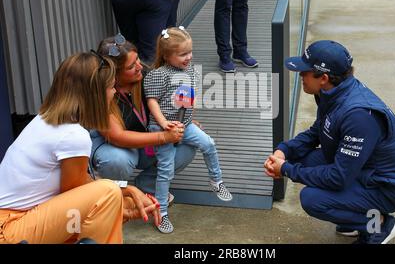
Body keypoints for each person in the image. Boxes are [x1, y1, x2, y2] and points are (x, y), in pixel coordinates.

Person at [264, 40, 395, 244]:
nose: (300, 76)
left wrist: (287, 170)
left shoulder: (358, 115)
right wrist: (284, 151)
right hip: (364, 168)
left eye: (305, 72)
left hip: (388, 187)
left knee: (312, 199)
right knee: (304, 157)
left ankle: (378, 224)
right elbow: (317, 132)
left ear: (324, 78)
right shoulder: (332, 93)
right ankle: (353, 215)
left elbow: (338, 178)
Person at [0, 52, 161, 244]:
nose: (115, 93)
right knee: (108, 193)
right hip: (11, 229)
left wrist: (126, 192)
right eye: (111, 87)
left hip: (19, 220)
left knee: (111, 195)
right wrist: (122, 196)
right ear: (94, 94)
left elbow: (81, 187)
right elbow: (77, 196)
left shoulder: (44, 118)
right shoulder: (73, 136)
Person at [90, 34, 197, 213]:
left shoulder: (149, 75)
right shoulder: (103, 92)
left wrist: (185, 121)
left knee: (189, 143)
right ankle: (117, 192)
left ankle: (147, 184)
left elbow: (176, 104)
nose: (140, 66)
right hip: (116, 147)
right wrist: (163, 136)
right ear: (113, 73)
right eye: (131, 66)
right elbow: (117, 137)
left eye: (138, 58)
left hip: (148, 141)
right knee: (116, 161)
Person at [144, 26, 233, 233]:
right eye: (183, 54)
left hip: (185, 124)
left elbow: (185, 98)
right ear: (167, 56)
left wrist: (192, 118)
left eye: (190, 51)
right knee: (165, 171)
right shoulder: (159, 75)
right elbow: (152, 102)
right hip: (163, 128)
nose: (188, 57)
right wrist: (164, 124)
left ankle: (216, 180)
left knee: (208, 143)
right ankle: (161, 212)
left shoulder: (189, 69)